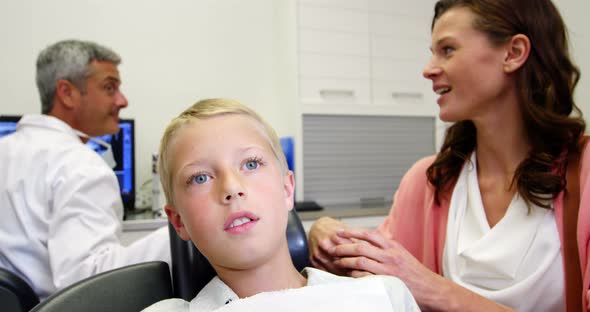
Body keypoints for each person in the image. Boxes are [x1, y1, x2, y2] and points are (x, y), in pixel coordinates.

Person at [307, 0, 590, 311]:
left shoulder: (584, 173)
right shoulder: (429, 180)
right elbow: (380, 276)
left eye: (448, 50)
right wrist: (326, 232)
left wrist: (434, 290)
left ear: (513, 53)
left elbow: (414, 281)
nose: (428, 69)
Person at [143, 98, 419, 311]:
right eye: (200, 177)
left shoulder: (383, 297)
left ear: (287, 189)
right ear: (178, 221)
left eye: (251, 164)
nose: (231, 187)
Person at [0, 39, 170, 300]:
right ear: (67, 93)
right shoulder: (80, 166)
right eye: (109, 88)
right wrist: (181, 233)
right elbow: (89, 283)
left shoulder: (5, 149)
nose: (122, 101)